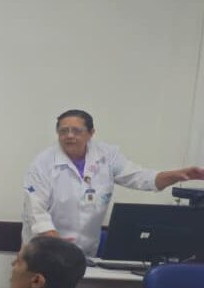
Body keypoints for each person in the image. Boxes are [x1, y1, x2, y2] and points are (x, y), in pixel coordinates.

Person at [21, 109, 204, 257]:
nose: (69, 136)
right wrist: (56, 241)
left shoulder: (107, 156)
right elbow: (36, 210)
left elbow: (141, 177)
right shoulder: (43, 162)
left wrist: (179, 175)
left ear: (91, 133)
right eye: (63, 131)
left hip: (85, 252)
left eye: (76, 131)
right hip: (45, 250)